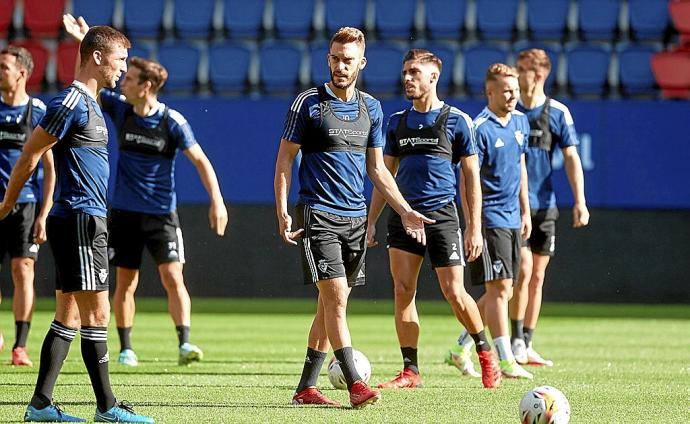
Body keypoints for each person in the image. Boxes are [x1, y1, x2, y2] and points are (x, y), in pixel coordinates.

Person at [0, 25, 153, 422]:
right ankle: (108, 407)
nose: (123, 68)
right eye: (119, 59)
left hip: (85, 219)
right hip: (81, 220)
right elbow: (29, 156)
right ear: (99, 58)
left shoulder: (91, 100)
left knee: (67, 314)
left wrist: (85, 37)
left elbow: (92, 58)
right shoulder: (69, 103)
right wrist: (8, 203)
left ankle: (40, 405)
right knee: (98, 315)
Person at [274, 27, 434, 408]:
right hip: (318, 214)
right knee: (336, 303)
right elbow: (284, 161)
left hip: (355, 218)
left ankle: (306, 389)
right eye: (334, 58)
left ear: (361, 63)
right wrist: (281, 210)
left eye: (348, 60)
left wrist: (405, 209)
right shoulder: (308, 104)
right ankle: (355, 384)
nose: (340, 65)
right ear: (328, 58)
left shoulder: (371, 108)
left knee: (329, 305)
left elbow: (378, 170)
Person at [63, 14, 228, 367]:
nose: (123, 82)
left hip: (161, 213)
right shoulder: (122, 111)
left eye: (132, 79)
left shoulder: (171, 122)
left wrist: (217, 200)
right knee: (126, 282)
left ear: (147, 86)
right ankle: (125, 347)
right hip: (123, 213)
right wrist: (83, 40)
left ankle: (184, 342)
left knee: (173, 276)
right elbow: (90, 80)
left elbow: (200, 161)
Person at [366, 49, 500, 390]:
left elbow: (471, 178)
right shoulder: (396, 122)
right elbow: (385, 175)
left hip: (441, 217)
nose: (408, 78)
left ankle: (485, 352)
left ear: (433, 77)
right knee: (402, 291)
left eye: (414, 72)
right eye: (405, 73)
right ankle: (410, 371)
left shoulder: (458, 121)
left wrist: (473, 228)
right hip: (403, 217)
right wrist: (371, 221)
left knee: (454, 291)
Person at [447, 63, 534, 380]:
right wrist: (473, 224)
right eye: (507, 90)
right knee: (499, 289)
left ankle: (460, 347)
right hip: (489, 218)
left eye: (516, 90)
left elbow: (521, 165)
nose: (513, 95)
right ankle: (506, 359)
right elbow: (467, 180)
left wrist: (526, 210)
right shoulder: (479, 128)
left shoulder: (521, 121)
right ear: (490, 92)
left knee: (509, 287)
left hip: (513, 216)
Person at [508, 49, 589, 366]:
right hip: (513, 208)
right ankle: (512, 338)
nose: (517, 74)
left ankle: (526, 342)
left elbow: (571, 157)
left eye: (522, 69)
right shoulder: (509, 112)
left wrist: (580, 201)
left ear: (539, 75)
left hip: (546, 206)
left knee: (537, 277)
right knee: (523, 271)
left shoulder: (557, 112)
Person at [0, 46, 54, 367]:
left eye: (4, 67)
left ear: (22, 72)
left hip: (26, 206)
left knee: (23, 271)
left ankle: (20, 346)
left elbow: (50, 168)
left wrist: (44, 214)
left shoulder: (37, 111)